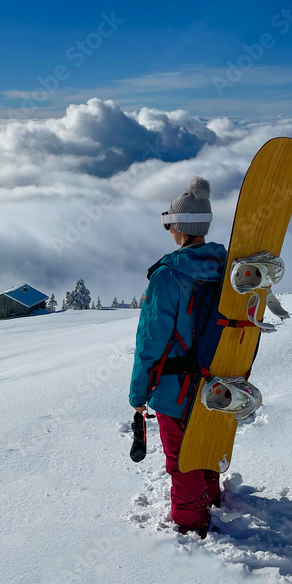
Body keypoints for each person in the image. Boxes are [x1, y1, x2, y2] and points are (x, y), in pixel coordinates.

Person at [128, 176, 227, 538]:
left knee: (182, 458)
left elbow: (150, 342)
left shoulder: (169, 276)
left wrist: (138, 394)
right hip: (221, 378)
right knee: (209, 440)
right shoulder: (228, 266)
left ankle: (191, 524)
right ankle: (211, 497)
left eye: (169, 223)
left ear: (179, 228)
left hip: (177, 386)